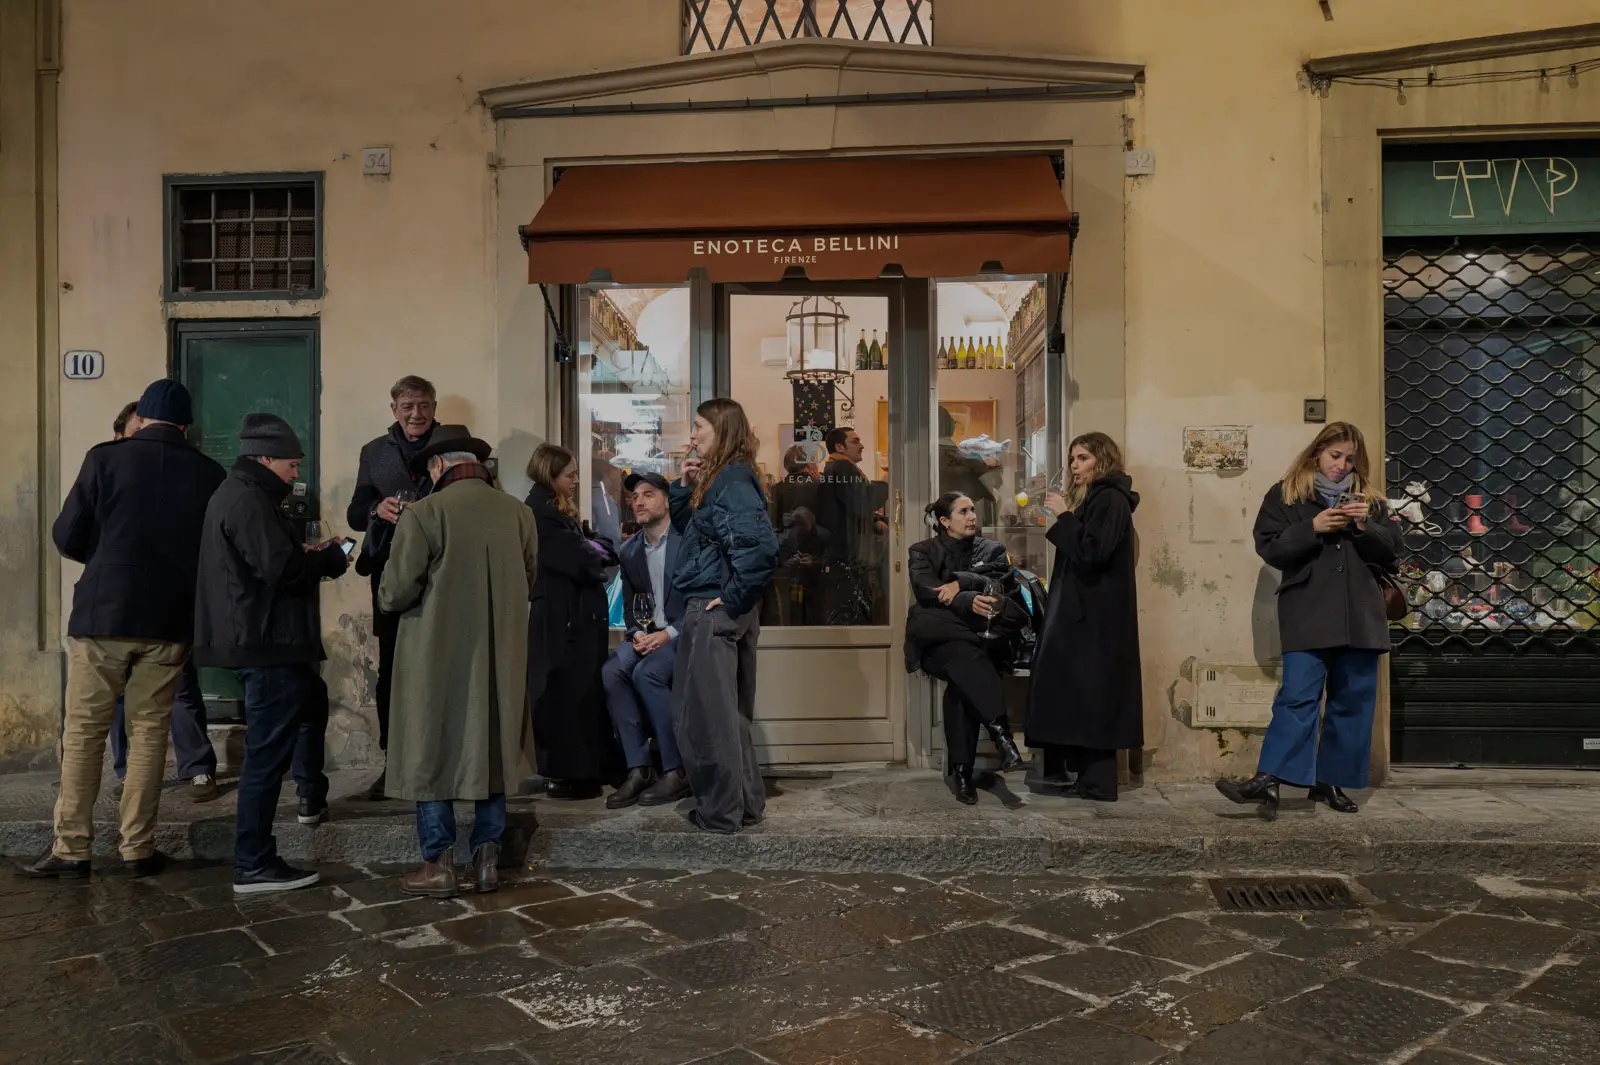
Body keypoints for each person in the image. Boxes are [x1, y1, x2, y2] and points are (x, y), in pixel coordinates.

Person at [23, 380, 225, 879]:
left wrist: (107, 558)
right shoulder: (208, 473)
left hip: (103, 615)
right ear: (185, 424)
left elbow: (67, 533)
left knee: (86, 731)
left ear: (142, 417)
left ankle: (72, 848)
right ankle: (137, 847)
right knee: (151, 732)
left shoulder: (104, 458)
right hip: (169, 620)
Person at [194, 414, 350, 894]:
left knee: (311, 705)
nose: (295, 472)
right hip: (266, 644)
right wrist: (328, 559)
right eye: (290, 463)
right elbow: (278, 568)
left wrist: (311, 554)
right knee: (264, 758)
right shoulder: (246, 498)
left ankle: (309, 797)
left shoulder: (247, 495)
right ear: (263, 458)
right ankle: (254, 861)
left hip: (275, 642)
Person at [377, 426, 535, 897]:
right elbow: (530, 575)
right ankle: (487, 859)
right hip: (500, 651)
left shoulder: (424, 514)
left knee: (432, 744)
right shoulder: (520, 514)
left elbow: (394, 593)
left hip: (434, 653)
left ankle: (438, 864)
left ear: (437, 466)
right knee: (493, 742)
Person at [1216, 423, 1401, 821]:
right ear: (1317, 453)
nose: (1341, 465)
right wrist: (1311, 528)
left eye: (1350, 458)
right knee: (1297, 698)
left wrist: (1366, 526)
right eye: (1335, 456)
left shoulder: (1370, 501)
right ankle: (1270, 777)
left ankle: (1330, 781)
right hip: (1308, 610)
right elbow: (1269, 547)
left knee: (1352, 701)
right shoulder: (1285, 494)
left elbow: (1393, 553)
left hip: (1360, 616)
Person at [669, 398, 779, 833]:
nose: (692, 435)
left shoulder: (731, 478)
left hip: (716, 610)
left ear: (722, 429)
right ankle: (744, 807)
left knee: (706, 718)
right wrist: (683, 485)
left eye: (698, 427)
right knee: (728, 716)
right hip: (724, 608)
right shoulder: (722, 478)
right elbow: (691, 532)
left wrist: (731, 599)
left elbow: (761, 548)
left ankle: (719, 813)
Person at [102, 399, 220, 801]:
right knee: (120, 692)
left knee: (181, 685)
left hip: (167, 599)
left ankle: (198, 767)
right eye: (134, 436)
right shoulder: (107, 469)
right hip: (118, 603)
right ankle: (127, 772)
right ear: (120, 436)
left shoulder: (178, 473)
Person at [1025, 433, 1143, 802]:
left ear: (1102, 461)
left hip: (1096, 619)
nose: (1075, 465)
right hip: (1087, 615)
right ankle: (1086, 777)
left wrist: (1063, 515)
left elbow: (1093, 552)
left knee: (1094, 697)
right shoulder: (1102, 499)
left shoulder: (1110, 499)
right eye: (1072, 458)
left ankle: (1096, 781)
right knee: (1082, 695)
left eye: (1083, 458)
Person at [346, 375, 439, 799]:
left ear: (434, 408)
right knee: (392, 672)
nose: (416, 414)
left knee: (439, 668)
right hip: (390, 572)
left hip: (442, 571)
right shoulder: (373, 452)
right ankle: (394, 763)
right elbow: (352, 513)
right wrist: (375, 508)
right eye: (408, 406)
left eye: (423, 405)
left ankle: (440, 763)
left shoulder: (454, 447)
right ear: (394, 410)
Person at [905, 492, 1027, 805]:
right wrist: (969, 598)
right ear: (945, 521)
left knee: (963, 676)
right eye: (963, 511)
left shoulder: (992, 549)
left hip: (981, 643)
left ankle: (962, 773)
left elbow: (1001, 580)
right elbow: (926, 590)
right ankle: (1002, 736)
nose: (972, 516)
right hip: (941, 645)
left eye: (973, 510)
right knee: (960, 651)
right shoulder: (922, 551)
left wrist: (959, 583)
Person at [525, 443, 620, 800]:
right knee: (565, 693)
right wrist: (591, 550)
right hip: (562, 618)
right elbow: (582, 557)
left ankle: (581, 769)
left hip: (573, 616)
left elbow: (600, 550)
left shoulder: (554, 511)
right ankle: (568, 773)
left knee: (578, 692)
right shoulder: (540, 513)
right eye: (570, 475)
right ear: (551, 475)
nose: (576, 480)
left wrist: (592, 548)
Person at [600, 472, 689, 809]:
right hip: (649, 634)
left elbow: (698, 602)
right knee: (612, 671)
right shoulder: (631, 550)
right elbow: (633, 607)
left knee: (647, 673)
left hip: (684, 633)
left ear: (667, 500)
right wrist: (639, 633)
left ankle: (677, 769)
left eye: (648, 494)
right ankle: (639, 768)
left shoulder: (687, 542)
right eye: (635, 496)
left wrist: (666, 634)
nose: (638, 501)